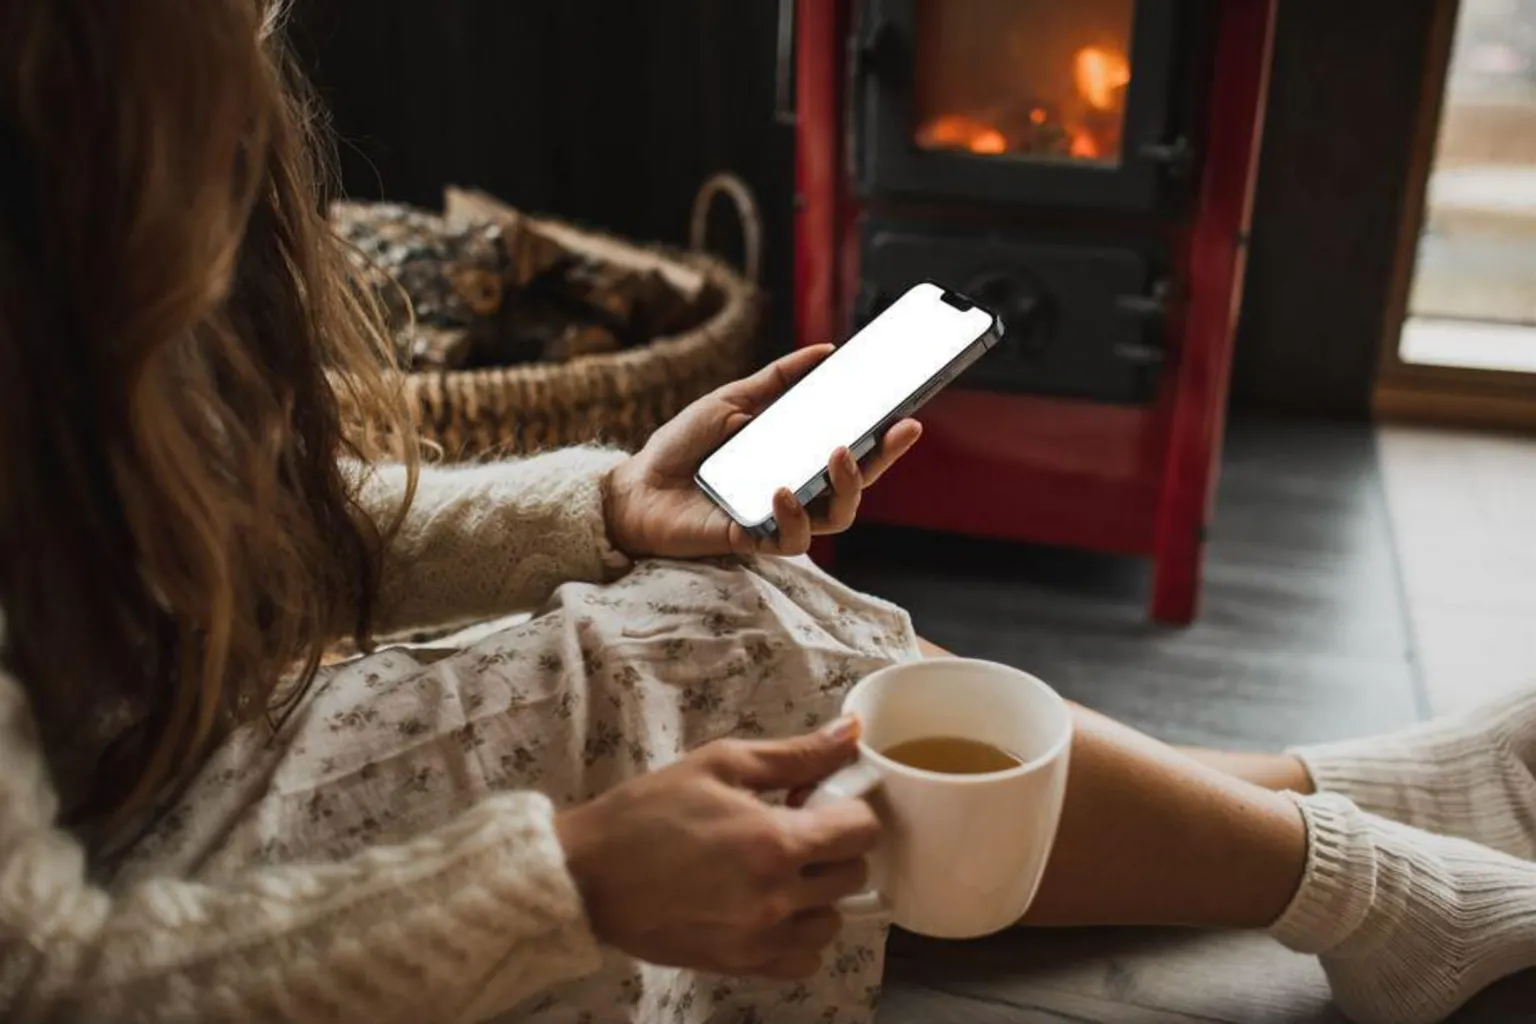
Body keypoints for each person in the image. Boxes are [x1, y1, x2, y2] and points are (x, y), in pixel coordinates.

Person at [0, 2, 1532, 1022]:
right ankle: (1359, 868)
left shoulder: (69, 224)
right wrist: (575, 882)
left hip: (175, 756)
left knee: (725, 633)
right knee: (720, 660)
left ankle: (1343, 804)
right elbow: (47, 979)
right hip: (128, 892)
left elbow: (248, 540)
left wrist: (602, 507)